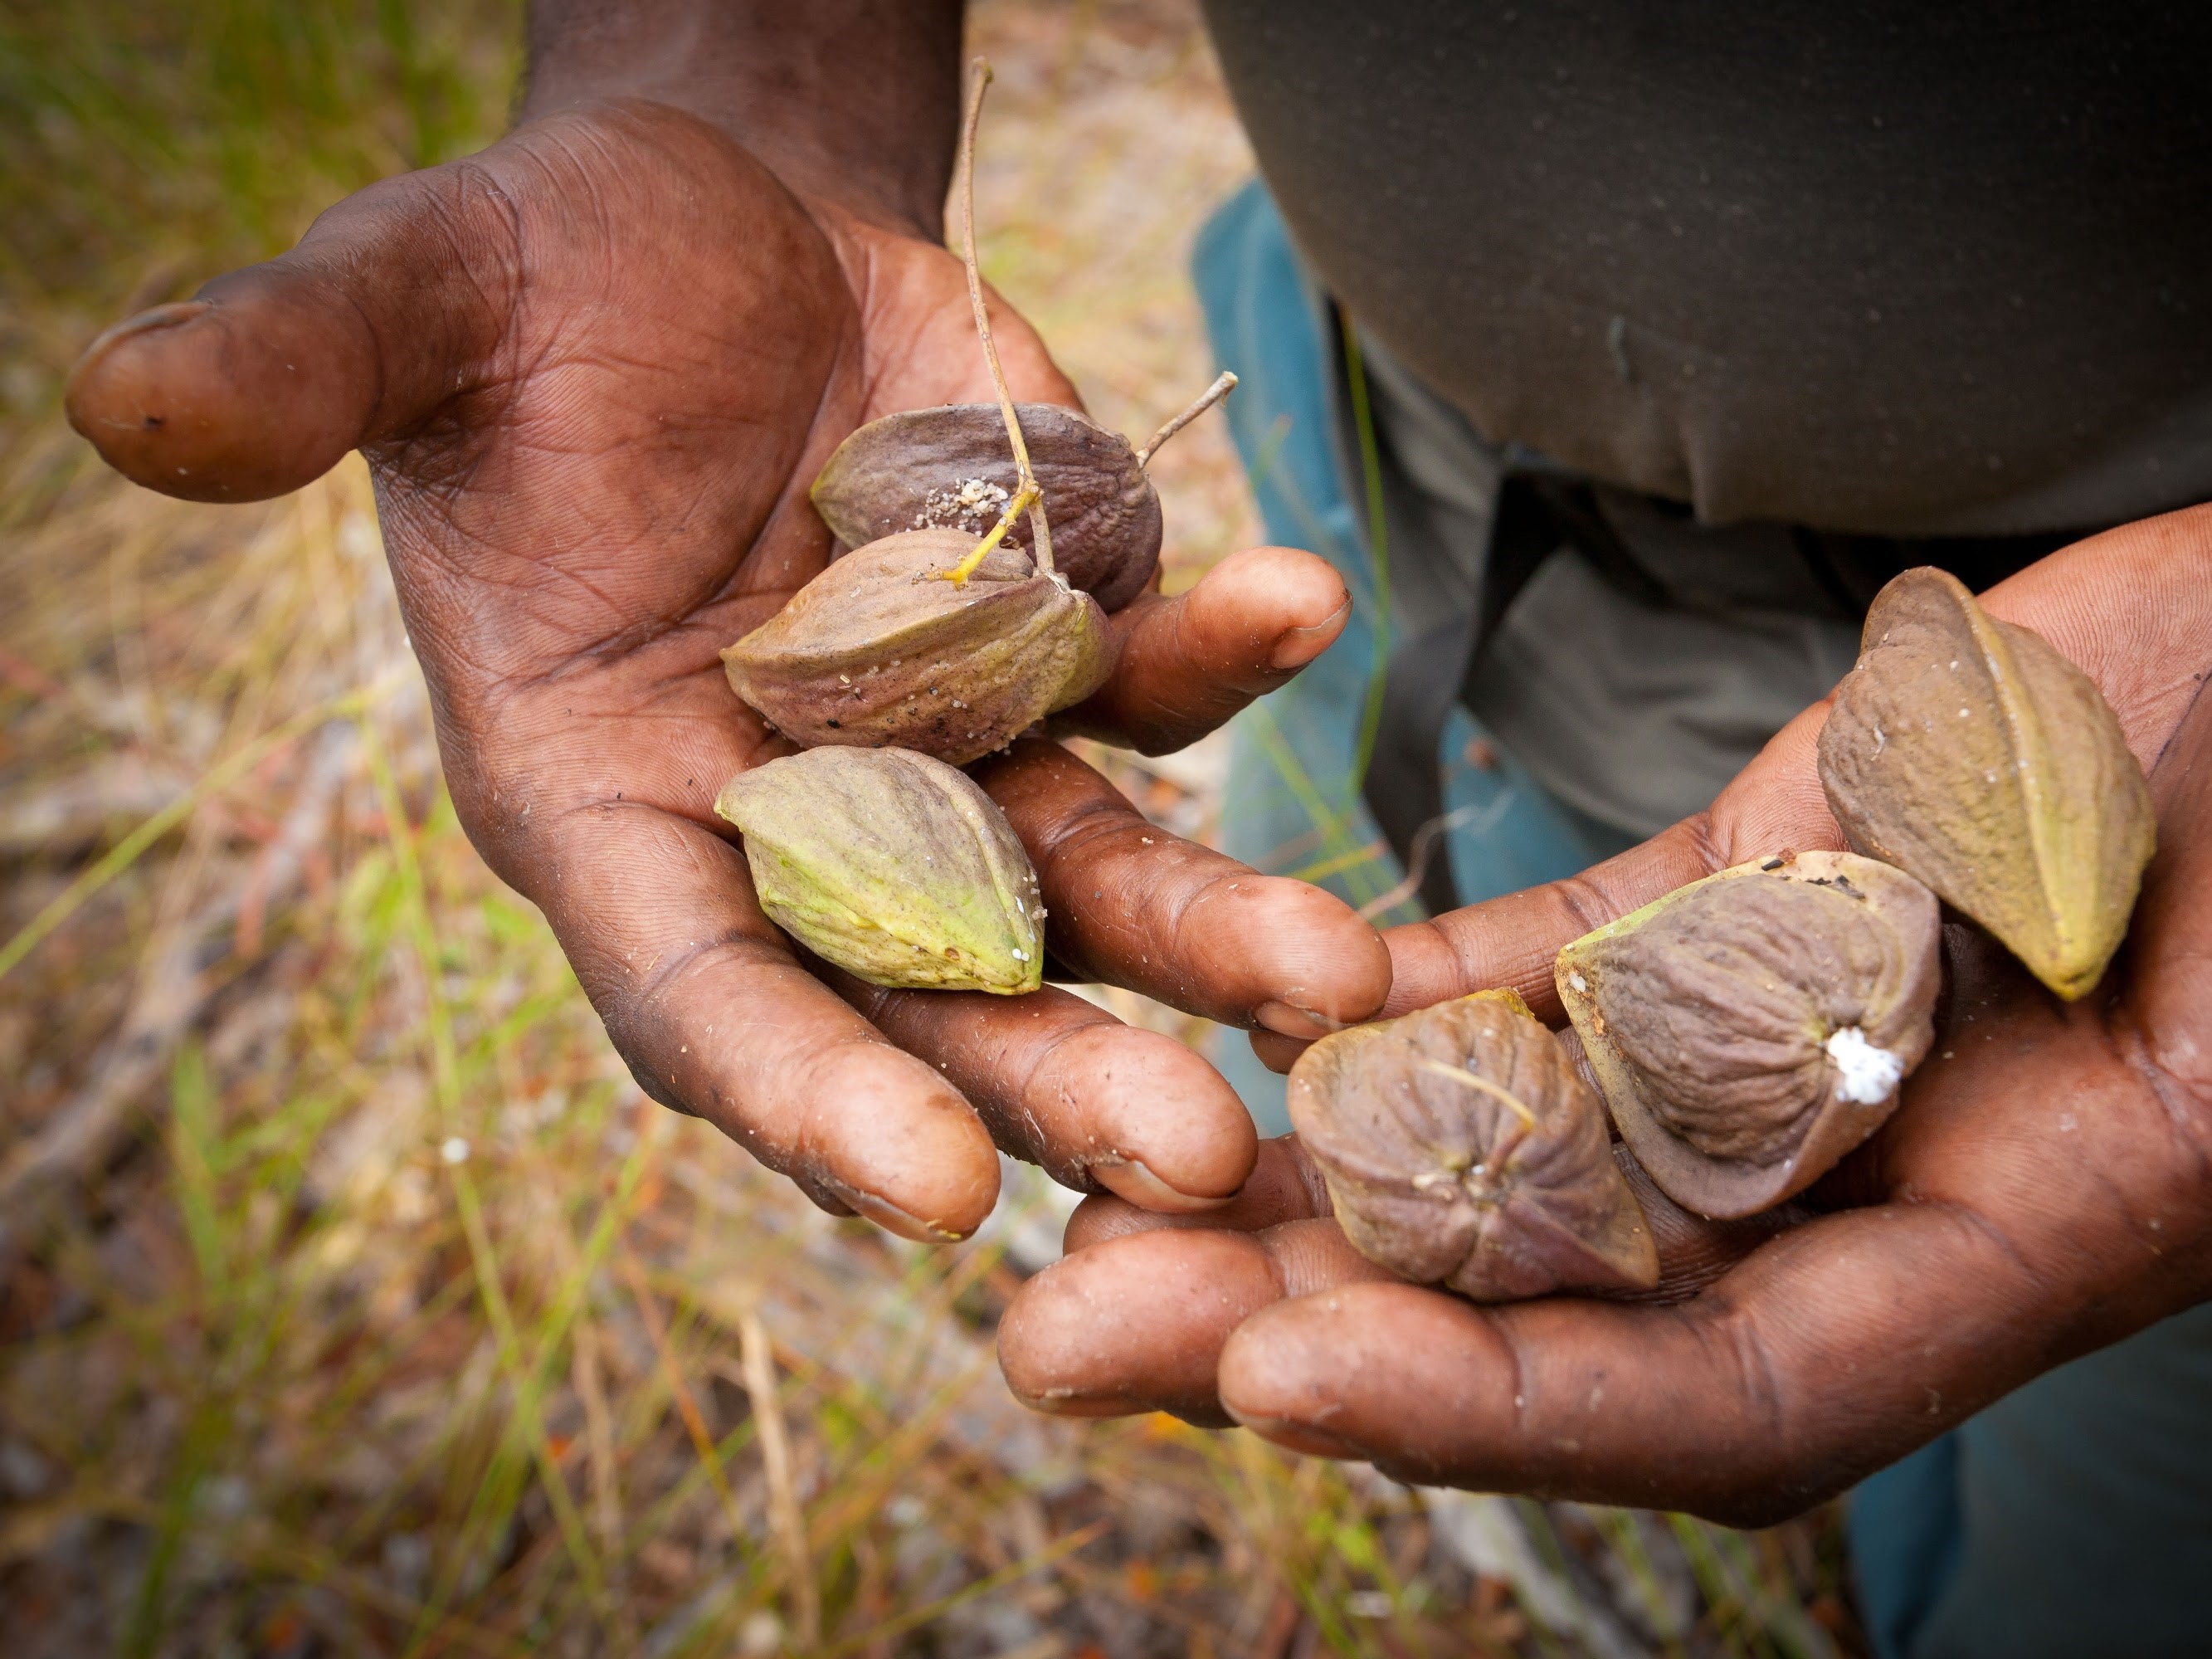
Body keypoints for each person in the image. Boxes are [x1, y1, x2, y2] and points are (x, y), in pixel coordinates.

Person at [62, 5, 2212, 1655]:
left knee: (2090, 1538)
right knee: (1294, 996)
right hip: (1389, 437)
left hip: (2142, 683)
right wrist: (745, 83)